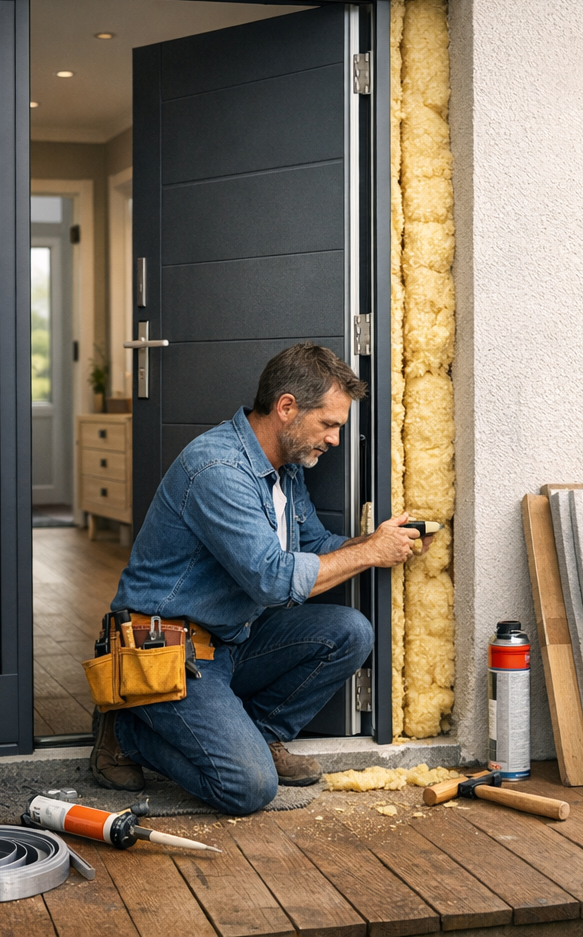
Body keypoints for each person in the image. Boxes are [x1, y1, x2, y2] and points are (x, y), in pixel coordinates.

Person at [91, 342, 430, 815]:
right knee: (248, 789)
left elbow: (312, 549)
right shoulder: (217, 468)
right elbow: (273, 580)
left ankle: (261, 734)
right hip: (164, 653)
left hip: (232, 640)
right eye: (328, 424)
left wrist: (374, 543)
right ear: (286, 407)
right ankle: (127, 727)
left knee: (349, 631)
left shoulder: (285, 470)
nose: (335, 439)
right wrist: (371, 553)